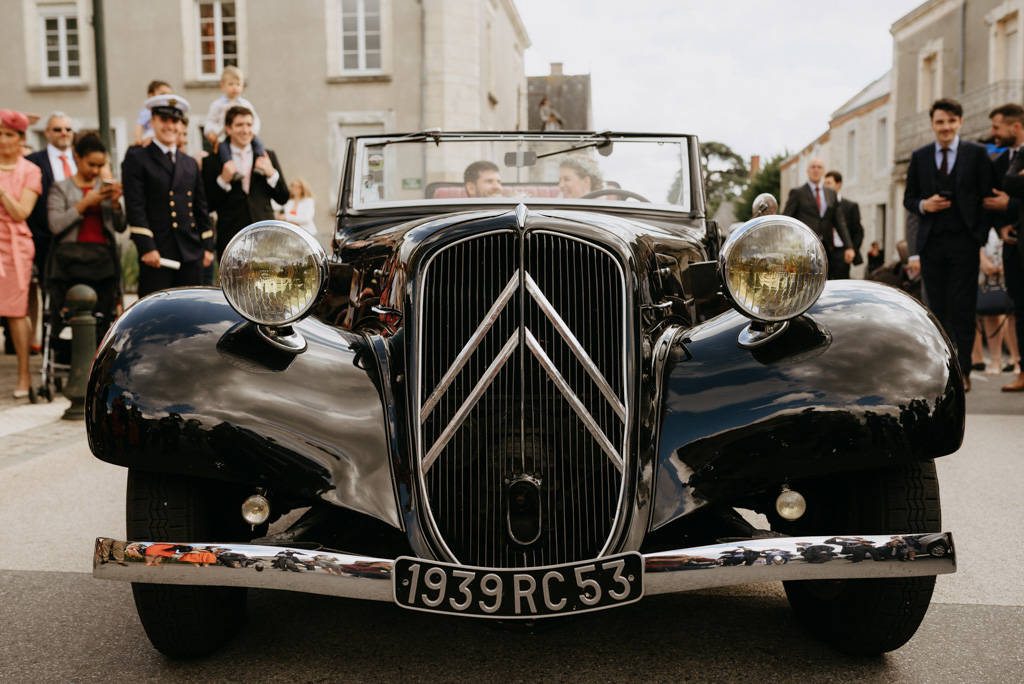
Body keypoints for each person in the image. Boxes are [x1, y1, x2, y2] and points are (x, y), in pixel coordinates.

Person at [903, 98, 995, 392]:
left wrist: (979, 236)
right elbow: (908, 199)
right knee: (936, 310)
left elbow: (987, 198)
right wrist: (924, 204)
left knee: (964, 309)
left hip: (965, 242)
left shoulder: (977, 154)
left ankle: (964, 371)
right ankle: (941, 373)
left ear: (960, 123)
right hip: (932, 244)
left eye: (951, 121)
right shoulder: (920, 156)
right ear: (932, 124)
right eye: (940, 122)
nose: (946, 127)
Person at [122, 94, 214, 297]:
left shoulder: (189, 162)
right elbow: (135, 206)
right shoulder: (137, 159)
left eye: (175, 121)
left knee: (192, 316)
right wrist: (147, 248)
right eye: (164, 120)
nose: (170, 126)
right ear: (152, 122)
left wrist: (207, 247)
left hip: (191, 253)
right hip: (157, 254)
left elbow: (200, 207)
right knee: (156, 319)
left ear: (181, 126)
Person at [46, 132, 126, 343]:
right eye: (91, 164)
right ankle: (66, 320)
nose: (95, 171)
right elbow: (55, 225)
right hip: (70, 257)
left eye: (99, 166)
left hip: (102, 258)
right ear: (77, 157)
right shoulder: (60, 188)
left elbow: (120, 226)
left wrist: (116, 204)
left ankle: (100, 323)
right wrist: (85, 203)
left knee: (107, 283)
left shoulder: (104, 187)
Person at [202, 106, 288, 258]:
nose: (245, 130)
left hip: (266, 236)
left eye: (249, 125)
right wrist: (222, 181)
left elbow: (283, 197)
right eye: (239, 125)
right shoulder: (212, 160)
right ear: (228, 129)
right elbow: (207, 204)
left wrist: (271, 173)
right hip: (231, 237)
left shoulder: (268, 156)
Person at [25, 112, 77, 349]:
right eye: (57, 129)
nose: (63, 133)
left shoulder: (82, 158)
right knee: (51, 297)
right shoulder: (34, 161)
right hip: (47, 241)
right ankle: (53, 346)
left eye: (67, 129)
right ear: (47, 133)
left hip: (81, 242)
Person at [0, 110, 42, 398]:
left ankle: (24, 376)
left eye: (9, 135)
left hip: (14, 246)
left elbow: (22, 212)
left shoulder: (30, 170)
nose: (3, 141)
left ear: (21, 138)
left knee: (17, 312)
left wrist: (2, 193)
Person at [983, 103, 1024, 391]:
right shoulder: (999, 162)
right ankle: (1022, 372)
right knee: (1020, 308)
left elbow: (1007, 196)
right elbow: (989, 200)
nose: (992, 133)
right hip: (1013, 246)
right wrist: (1002, 225)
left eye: (997, 127)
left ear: (1016, 126)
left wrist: (1011, 202)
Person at [782, 157, 854, 278]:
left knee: (826, 281)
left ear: (823, 171)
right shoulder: (797, 193)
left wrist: (849, 247)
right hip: (803, 249)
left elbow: (839, 222)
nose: (816, 170)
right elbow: (786, 221)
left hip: (825, 248)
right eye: (813, 167)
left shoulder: (830, 193)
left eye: (819, 167)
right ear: (807, 171)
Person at [203, 65, 265, 176]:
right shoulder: (218, 104)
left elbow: (255, 119)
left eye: (238, 84)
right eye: (231, 84)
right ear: (223, 86)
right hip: (223, 136)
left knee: (259, 144)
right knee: (223, 150)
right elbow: (210, 120)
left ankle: (260, 164)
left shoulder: (245, 104)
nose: (235, 87)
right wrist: (210, 132)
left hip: (246, 137)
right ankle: (233, 170)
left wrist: (253, 131)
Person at [823, 170, 864, 279]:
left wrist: (851, 250)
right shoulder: (822, 205)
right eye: (824, 183)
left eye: (829, 183)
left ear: (838, 184)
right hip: (825, 252)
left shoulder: (850, 206)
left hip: (842, 253)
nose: (825, 186)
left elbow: (858, 232)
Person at [134, 80, 172, 147]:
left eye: (169, 95)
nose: (166, 97)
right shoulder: (148, 111)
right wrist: (138, 140)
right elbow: (139, 125)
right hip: (150, 138)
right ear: (151, 96)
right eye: (163, 94)